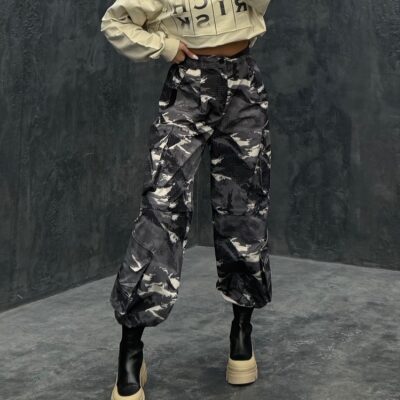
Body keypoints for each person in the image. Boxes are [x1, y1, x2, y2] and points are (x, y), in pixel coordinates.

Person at [100, 0, 272, 398]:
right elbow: (116, 22)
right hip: (188, 88)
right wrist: (163, 46)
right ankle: (131, 348)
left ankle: (242, 331)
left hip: (244, 86)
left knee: (244, 209)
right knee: (162, 208)